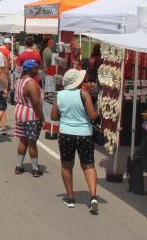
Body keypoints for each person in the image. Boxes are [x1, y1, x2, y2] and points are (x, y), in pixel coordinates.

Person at [51, 68, 99, 213]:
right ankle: (93, 196)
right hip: (84, 134)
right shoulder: (83, 94)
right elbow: (92, 116)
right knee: (88, 165)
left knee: (66, 165)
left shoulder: (58, 95)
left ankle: (70, 198)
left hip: (66, 133)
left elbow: (53, 116)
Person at [14, 60, 45, 176]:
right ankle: (35, 168)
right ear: (30, 69)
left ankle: (18, 166)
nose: (38, 71)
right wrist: (42, 119)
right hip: (30, 115)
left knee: (22, 140)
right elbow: (36, 103)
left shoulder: (19, 81)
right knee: (32, 142)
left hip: (20, 113)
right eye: (36, 68)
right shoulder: (30, 83)